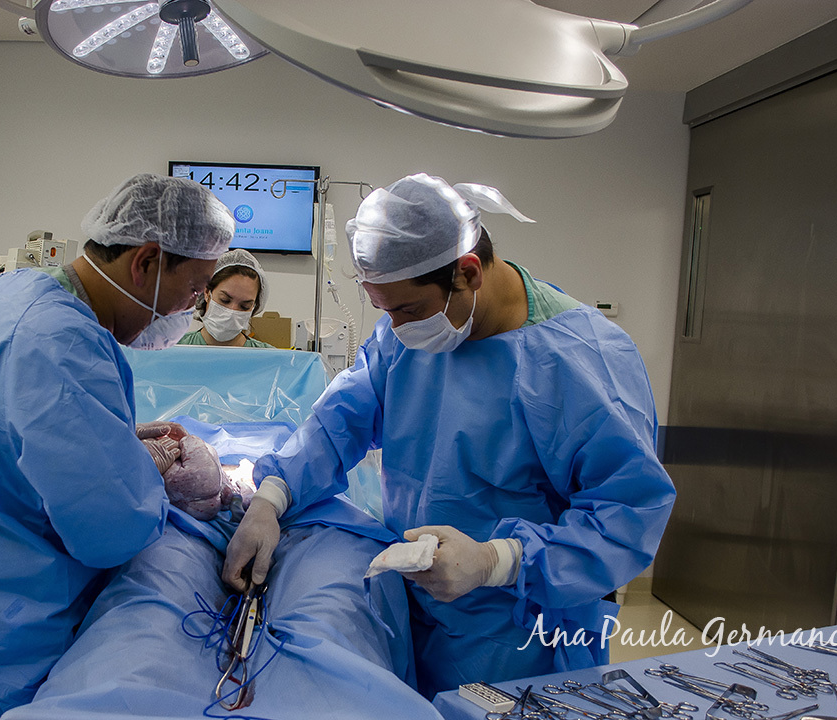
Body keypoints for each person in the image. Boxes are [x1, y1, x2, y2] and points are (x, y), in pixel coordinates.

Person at [223, 173, 677, 697]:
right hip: (414, 605)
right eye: (384, 311)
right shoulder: (413, 330)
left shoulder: (580, 363)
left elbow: (627, 517)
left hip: (518, 634)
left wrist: (495, 561)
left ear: (467, 272)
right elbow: (342, 418)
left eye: (406, 311)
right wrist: (272, 496)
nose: (394, 328)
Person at [0, 173, 234, 720]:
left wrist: (111, 441)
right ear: (146, 262)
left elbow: (15, 436)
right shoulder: (62, 344)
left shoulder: (16, 294)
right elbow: (112, 531)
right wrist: (152, 477)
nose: (195, 305)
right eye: (197, 288)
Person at [178, 248, 274, 348]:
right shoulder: (174, 349)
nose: (232, 312)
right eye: (225, 300)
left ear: (253, 307)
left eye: (244, 306)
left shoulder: (269, 357)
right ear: (206, 293)